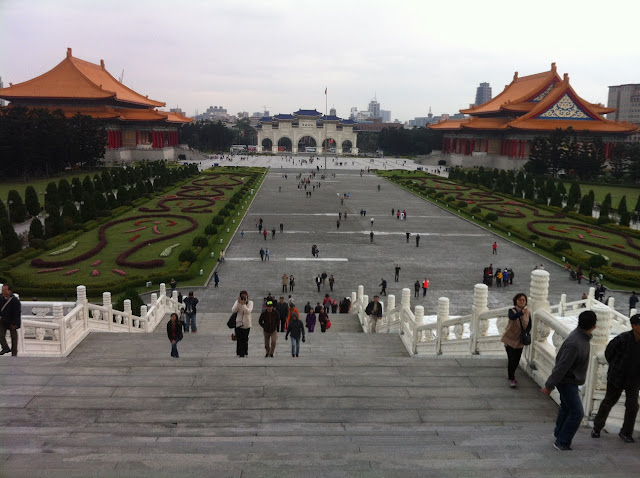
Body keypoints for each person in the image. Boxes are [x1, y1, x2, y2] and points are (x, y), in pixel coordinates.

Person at [541, 310, 598, 451]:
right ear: (594, 326)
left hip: (570, 380)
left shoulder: (581, 337)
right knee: (577, 412)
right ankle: (562, 442)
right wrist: (549, 385)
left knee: (567, 408)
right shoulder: (575, 342)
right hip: (567, 382)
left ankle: (559, 433)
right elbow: (561, 366)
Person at [591, 314, 640, 443]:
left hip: (634, 380)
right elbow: (608, 354)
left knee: (633, 406)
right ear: (634, 326)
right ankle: (597, 427)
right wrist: (617, 367)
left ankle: (626, 432)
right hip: (617, 377)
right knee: (608, 402)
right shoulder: (622, 339)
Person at [501, 293, 531, 388]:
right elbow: (512, 317)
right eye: (520, 300)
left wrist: (525, 333)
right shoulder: (512, 311)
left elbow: (529, 324)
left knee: (517, 359)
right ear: (516, 301)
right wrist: (521, 312)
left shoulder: (528, 312)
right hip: (510, 338)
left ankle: (511, 374)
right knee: (511, 358)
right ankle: (512, 378)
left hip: (520, 339)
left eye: (523, 300)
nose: (522, 301)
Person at [0, 284, 22, 356]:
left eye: (5, 291)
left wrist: (15, 323)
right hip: (3, 320)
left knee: (14, 337)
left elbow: (17, 312)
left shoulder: (15, 300)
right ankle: (5, 347)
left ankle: (14, 353)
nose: (3, 292)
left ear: (9, 291)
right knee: (1, 335)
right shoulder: (1, 298)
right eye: (2, 291)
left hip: (12, 321)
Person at [232, 291, 253, 357]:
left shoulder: (250, 303)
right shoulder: (237, 302)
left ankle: (245, 352)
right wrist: (239, 303)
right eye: (242, 296)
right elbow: (233, 310)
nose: (243, 297)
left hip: (246, 324)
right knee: (239, 339)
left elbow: (248, 311)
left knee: (245, 339)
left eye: (245, 296)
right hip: (238, 323)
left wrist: (243, 304)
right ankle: (239, 353)